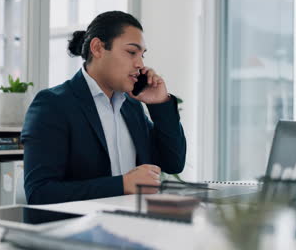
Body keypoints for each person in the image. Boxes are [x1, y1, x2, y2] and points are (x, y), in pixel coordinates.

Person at [21, 11, 186, 204]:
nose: (140, 64)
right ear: (98, 48)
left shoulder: (131, 107)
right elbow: (40, 194)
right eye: (131, 52)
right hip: (79, 230)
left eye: (142, 55)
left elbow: (173, 163)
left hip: (132, 226)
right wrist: (121, 185)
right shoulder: (52, 105)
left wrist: (160, 103)